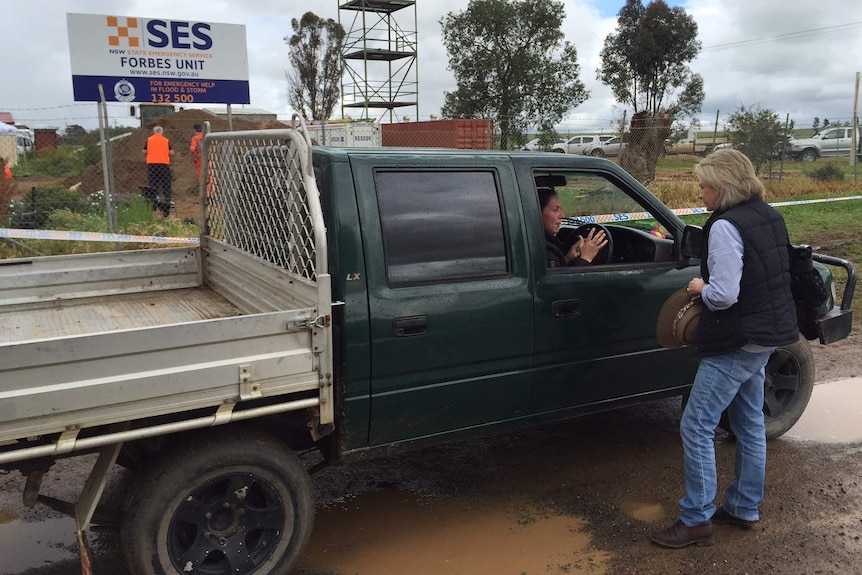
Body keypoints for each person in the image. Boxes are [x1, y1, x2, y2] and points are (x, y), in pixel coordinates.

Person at [650, 149, 798, 548]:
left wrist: (701, 288)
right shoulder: (769, 214)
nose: (701, 193)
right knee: (749, 422)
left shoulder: (725, 227)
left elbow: (724, 296)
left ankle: (696, 519)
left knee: (696, 425)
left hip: (736, 340)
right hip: (766, 337)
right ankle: (744, 506)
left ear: (724, 186)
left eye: (705, 186)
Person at [539, 187, 608, 267]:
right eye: (555, 210)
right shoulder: (543, 250)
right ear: (537, 212)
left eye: (560, 210)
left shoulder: (538, 241)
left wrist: (567, 259)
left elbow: (557, 271)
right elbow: (562, 279)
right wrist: (585, 258)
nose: (562, 215)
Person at [143, 126, 174, 217]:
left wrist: (151, 152)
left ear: (154, 132)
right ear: (161, 132)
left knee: (153, 184)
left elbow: (144, 151)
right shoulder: (165, 140)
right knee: (166, 183)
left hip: (152, 164)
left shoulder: (149, 140)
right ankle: (167, 200)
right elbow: (171, 152)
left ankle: (154, 202)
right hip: (163, 164)